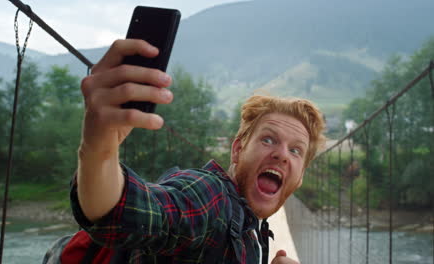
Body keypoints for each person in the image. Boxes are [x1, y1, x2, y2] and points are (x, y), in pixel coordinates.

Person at [66, 39, 326, 264]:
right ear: (237, 150)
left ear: (300, 176)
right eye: (268, 140)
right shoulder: (209, 196)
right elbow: (123, 212)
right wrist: (98, 146)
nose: (281, 154)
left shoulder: (250, 227)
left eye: (295, 150)